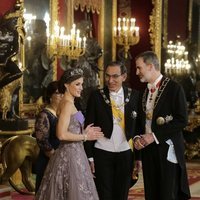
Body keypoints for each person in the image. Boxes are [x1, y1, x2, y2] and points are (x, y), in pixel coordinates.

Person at [35, 68, 104, 200]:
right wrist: (85, 137)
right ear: (66, 85)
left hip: (77, 153)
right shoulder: (66, 104)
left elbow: (76, 125)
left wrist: (85, 131)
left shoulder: (72, 104)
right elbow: (61, 135)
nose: (81, 88)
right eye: (77, 84)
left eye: (82, 84)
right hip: (69, 156)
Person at [133, 51, 191, 200]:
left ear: (151, 66)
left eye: (139, 68)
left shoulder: (174, 88)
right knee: (151, 193)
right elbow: (142, 122)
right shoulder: (145, 91)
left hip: (167, 150)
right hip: (148, 151)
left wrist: (154, 136)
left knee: (167, 193)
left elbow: (182, 120)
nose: (137, 72)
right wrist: (138, 141)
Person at [84, 61, 141, 200]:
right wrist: (89, 157)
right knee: (104, 194)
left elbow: (138, 128)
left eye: (115, 76)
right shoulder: (96, 96)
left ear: (124, 76)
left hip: (125, 152)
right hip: (102, 152)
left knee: (122, 194)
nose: (110, 80)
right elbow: (88, 127)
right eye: (107, 76)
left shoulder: (135, 96)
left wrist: (138, 157)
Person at [34, 81, 62, 192]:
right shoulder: (44, 115)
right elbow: (42, 142)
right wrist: (57, 160)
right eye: (58, 93)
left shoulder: (68, 110)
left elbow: (82, 124)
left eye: (64, 93)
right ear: (50, 96)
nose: (62, 96)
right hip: (49, 160)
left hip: (66, 158)